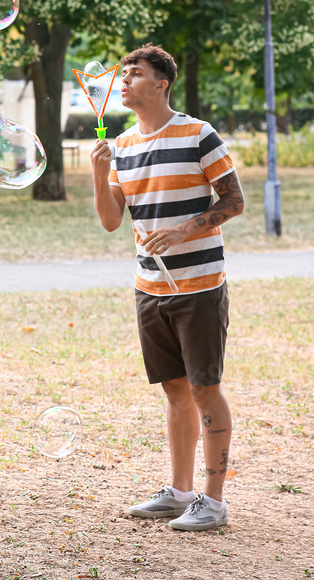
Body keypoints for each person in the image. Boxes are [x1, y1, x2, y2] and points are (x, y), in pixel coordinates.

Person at [90, 44, 245, 531]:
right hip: (149, 287)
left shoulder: (198, 134)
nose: (126, 80)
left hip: (199, 285)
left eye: (135, 74)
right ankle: (179, 494)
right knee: (175, 393)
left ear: (161, 84)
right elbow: (111, 221)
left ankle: (213, 502)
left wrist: (185, 229)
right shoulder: (122, 146)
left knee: (205, 390)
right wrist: (99, 172)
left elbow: (235, 201)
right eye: (124, 73)